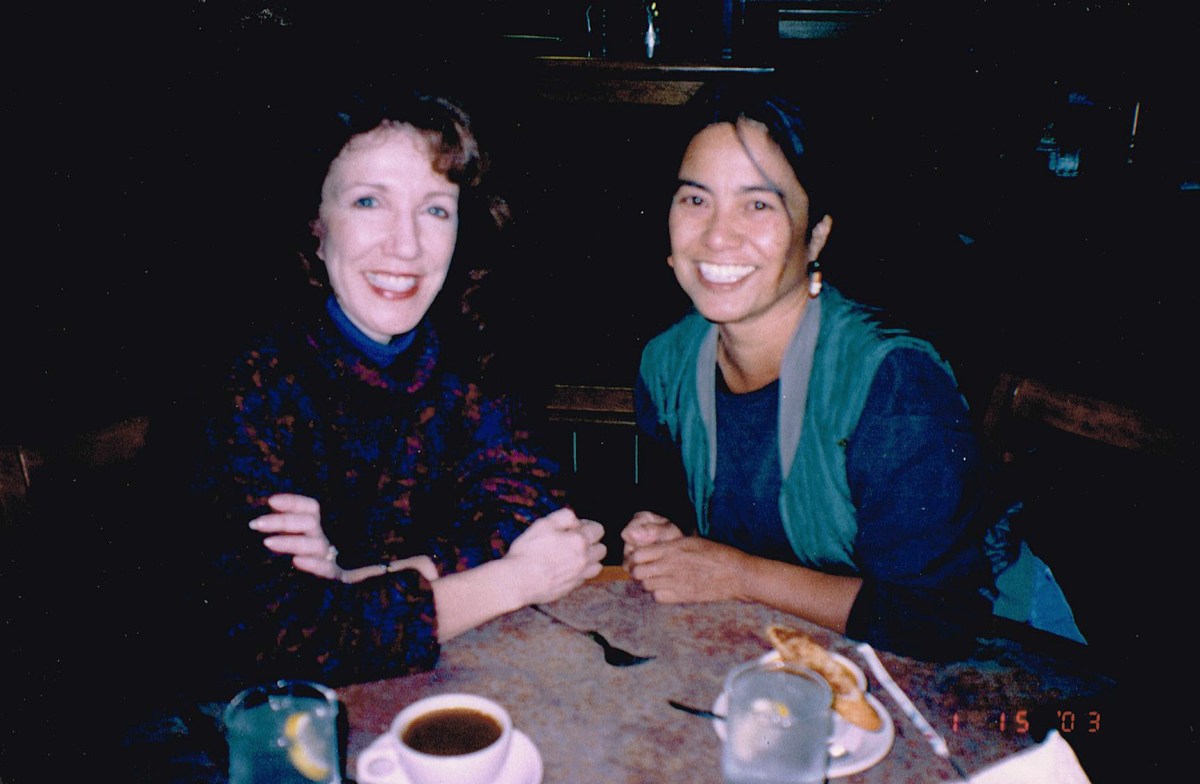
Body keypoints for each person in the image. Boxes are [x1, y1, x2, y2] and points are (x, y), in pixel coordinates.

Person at [621, 81, 1081, 661]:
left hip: (996, 663)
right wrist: (667, 539)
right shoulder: (666, 364)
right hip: (799, 653)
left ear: (816, 235)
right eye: (695, 199)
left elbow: (940, 619)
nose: (717, 234)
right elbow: (699, 523)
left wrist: (740, 575)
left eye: (758, 204)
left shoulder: (894, 386)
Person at [179, 87, 606, 690]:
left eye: (435, 209)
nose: (406, 246)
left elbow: (533, 514)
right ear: (315, 226)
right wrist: (508, 581)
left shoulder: (469, 358)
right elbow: (276, 638)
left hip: (432, 690)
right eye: (369, 201)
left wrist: (359, 577)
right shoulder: (249, 386)